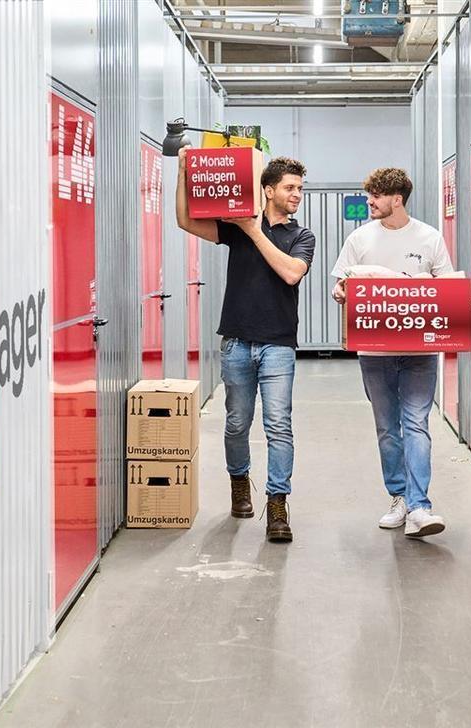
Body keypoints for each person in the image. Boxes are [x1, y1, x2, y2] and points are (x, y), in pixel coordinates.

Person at [176, 153, 315, 543]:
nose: (297, 194)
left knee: (278, 425)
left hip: (278, 345)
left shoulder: (301, 236)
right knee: (236, 423)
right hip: (236, 341)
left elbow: (291, 273)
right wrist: (182, 173)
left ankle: (277, 504)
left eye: (300, 189)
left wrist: (254, 230)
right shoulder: (236, 227)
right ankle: (239, 482)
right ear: (268, 190)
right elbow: (185, 221)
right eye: (290, 187)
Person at [330, 168, 454, 538]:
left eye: (376, 196)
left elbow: (446, 286)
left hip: (420, 350)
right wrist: (341, 292)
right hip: (374, 351)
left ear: (397, 199)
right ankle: (398, 496)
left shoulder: (429, 238)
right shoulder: (359, 238)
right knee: (387, 428)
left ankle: (419, 506)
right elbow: (341, 285)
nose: (369, 201)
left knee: (416, 423)